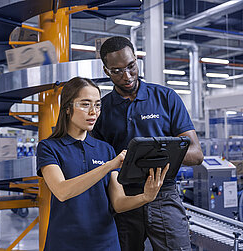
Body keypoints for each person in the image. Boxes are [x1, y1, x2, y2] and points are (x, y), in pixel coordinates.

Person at [92, 36, 204, 251]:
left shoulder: (166, 98)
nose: (127, 76)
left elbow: (196, 154)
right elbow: (98, 162)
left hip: (164, 192)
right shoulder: (101, 110)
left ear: (136, 60)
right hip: (123, 197)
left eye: (131, 66)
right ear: (106, 71)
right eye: (116, 71)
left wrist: (152, 158)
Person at [36, 77, 169, 251]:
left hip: (105, 244)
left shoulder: (105, 149)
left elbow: (118, 203)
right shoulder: (49, 147)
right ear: (67, 108)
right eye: (85, 104)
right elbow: (62, 191)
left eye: (97, 105)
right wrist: (108, 166)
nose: (93, 112)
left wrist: (145, 197)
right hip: (65, 243)